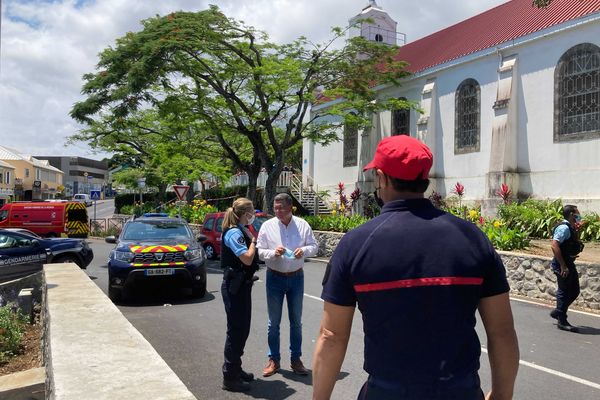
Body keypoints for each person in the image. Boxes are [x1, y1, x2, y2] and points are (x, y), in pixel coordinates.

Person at [312, 135, 519, 400]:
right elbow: (501, 332)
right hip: (460, 390)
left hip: (388, 392)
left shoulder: (356, 244)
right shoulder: (473, 238)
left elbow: (331, 336)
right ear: (425, 178)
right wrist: (502, 395)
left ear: (381, 177)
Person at [257, 193, 318, 377]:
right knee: (273, 323)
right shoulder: (267, 226)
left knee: (296, 323)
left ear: (290, 207)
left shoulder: (302, 225)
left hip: (296, 278)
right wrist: (273, 253)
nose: (278, 211)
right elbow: (260, 251)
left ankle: (296, 360)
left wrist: (304, 251)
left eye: (281, 207)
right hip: (274, 277)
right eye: (275, 208)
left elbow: (314, 246)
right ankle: (273, 360)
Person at [220, 198, 260, 392]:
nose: (253, 216)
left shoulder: (241, 229)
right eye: (252, 212)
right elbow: (246, 258)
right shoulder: (234, 232)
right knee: (236, 330)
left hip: (242, 285)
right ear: (245, 213)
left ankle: (236, 368)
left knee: (242, 329)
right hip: (234, 287)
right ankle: (230, 376)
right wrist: (253, 242)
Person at [550, 204, 584, 333]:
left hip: (568, 262)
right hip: (562, 264)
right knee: (564, 291)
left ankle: (559, 311)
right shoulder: (564, 228)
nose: (578, 215)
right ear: (571, 214)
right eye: (577, 213)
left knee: (574, 291)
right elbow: (554, 245)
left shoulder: (570, 227)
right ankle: (562, 320)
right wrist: (563, 266)